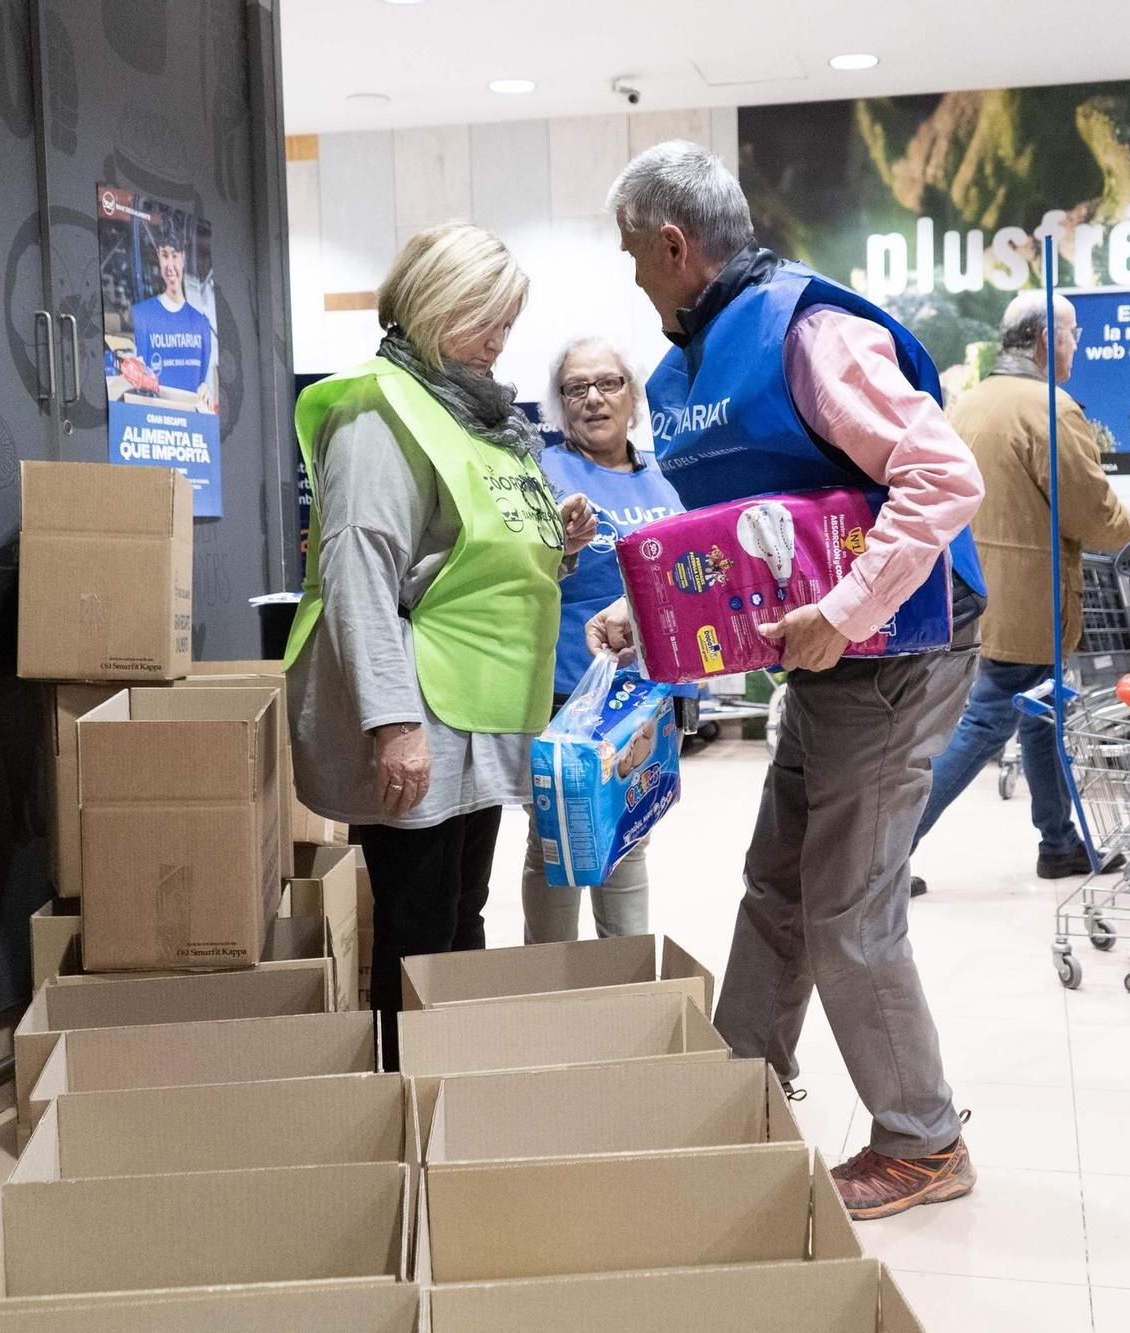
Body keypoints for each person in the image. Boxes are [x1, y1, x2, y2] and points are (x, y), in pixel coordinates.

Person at [586, 141, 986, 1220]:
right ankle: (739, 1084)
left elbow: (944, 476)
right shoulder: (696, 364)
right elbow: (733, 526)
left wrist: (845, 607)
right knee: (776, 885)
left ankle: (922, 1140)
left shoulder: (811, 335)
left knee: (848, 908)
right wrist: (643, 605)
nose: (630, 276)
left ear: (673, 245)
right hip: (827, 661)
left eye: (632, 254)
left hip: (898, 649)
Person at [283, 222, 596, 1069]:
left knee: (462, 911)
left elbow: (463, 551)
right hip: (419, 714)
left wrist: (554, 544)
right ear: (428, 307)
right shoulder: (379, 412)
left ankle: (458, 1085)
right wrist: (391, 722)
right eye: (479, 317)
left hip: (481, 710)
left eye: (506, 319)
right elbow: (359, 573)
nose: (497, 340)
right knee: (419, 930)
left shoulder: (483, 418)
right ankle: (412, 1102)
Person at [909, 292, 1130, 894]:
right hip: (1031, 602)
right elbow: (1089, 509)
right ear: (1045, 340)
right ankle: (884, 854)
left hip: (970, 594)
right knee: (989, 721)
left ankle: (1059, 843)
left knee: (1043, 716)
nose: (1077, 344)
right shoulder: (1050, 410)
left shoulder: (970, 404)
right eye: (1072, 333)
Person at [518, 335, 693, 943]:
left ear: (633, 396)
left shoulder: (662, 477)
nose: (594, 398)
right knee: (557, 837)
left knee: (630, 831)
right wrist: (558, 549)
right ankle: (551, 979)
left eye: (609, 383)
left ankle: (623, 976)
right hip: (567, 689)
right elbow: (518, 581)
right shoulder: (543, 474)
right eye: (575, 388)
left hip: (644, 692)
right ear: (559, 405)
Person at [122, 217, 218, 413]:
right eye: (165, 255)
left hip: (193, 426)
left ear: (183, 258)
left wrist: (207, 395)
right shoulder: (142, 315)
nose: (170, 265)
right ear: (158, 256)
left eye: (175, 255)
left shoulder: (201, 323)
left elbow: (208, 387)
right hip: (154, 421)